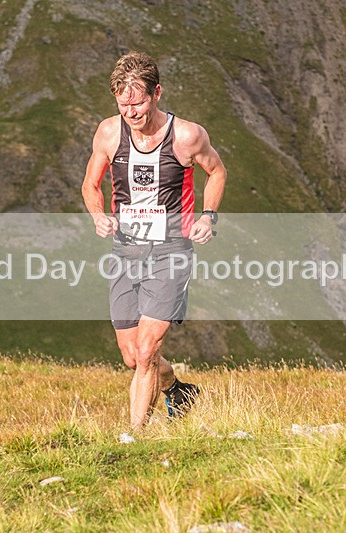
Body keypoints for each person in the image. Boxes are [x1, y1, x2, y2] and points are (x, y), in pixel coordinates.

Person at [81, 51, 227, 430]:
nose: (131, 112)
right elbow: (90, 183)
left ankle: (134, 437)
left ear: (157, 93)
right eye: (123, 104)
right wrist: (98, 214)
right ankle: (179, 391)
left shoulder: (188, 136)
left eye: (139, 102)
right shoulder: (109, 132)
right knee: (132, 356)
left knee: (147, 351)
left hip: (170, 252)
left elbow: (217, 172)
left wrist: (208, 217)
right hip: (125, 251)